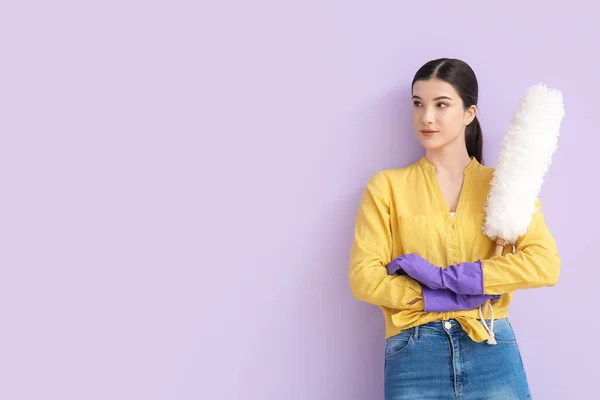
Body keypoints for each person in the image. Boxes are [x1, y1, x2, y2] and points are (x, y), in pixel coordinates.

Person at [348, 58, 560, 399]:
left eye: (441, 104)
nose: (426, 117)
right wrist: (437, 297)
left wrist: (451, 279)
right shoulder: (386, 187)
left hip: (490, 344)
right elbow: (364, 277)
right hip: (414, 352)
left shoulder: (504, 186)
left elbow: (545, 264)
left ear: (469, 113)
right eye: (418, 104)